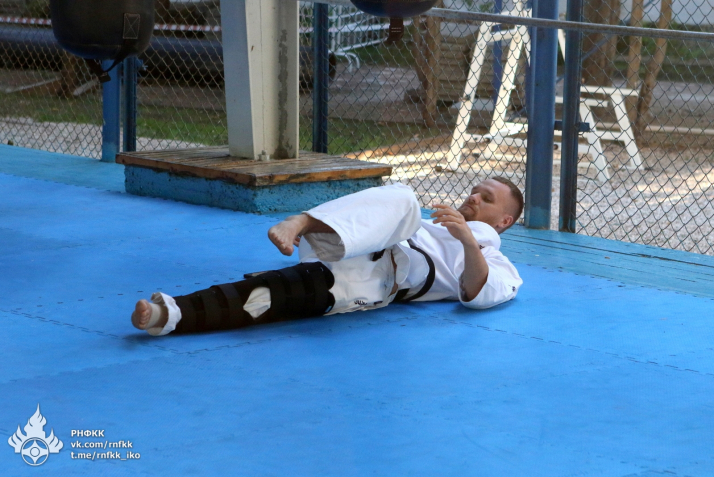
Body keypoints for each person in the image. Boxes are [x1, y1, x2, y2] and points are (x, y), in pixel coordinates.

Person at [131, 177, 524, 336]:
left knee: (270, 294)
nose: (474, 197)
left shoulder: (497, 261)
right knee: (404, 196)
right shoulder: (426, 220)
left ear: (505, 220)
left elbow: (478, 294)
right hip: (355, 240)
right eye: (475, 191)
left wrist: (467, 241)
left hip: (382, 278)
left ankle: (170, 314)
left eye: (486, 199)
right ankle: (302, 221)